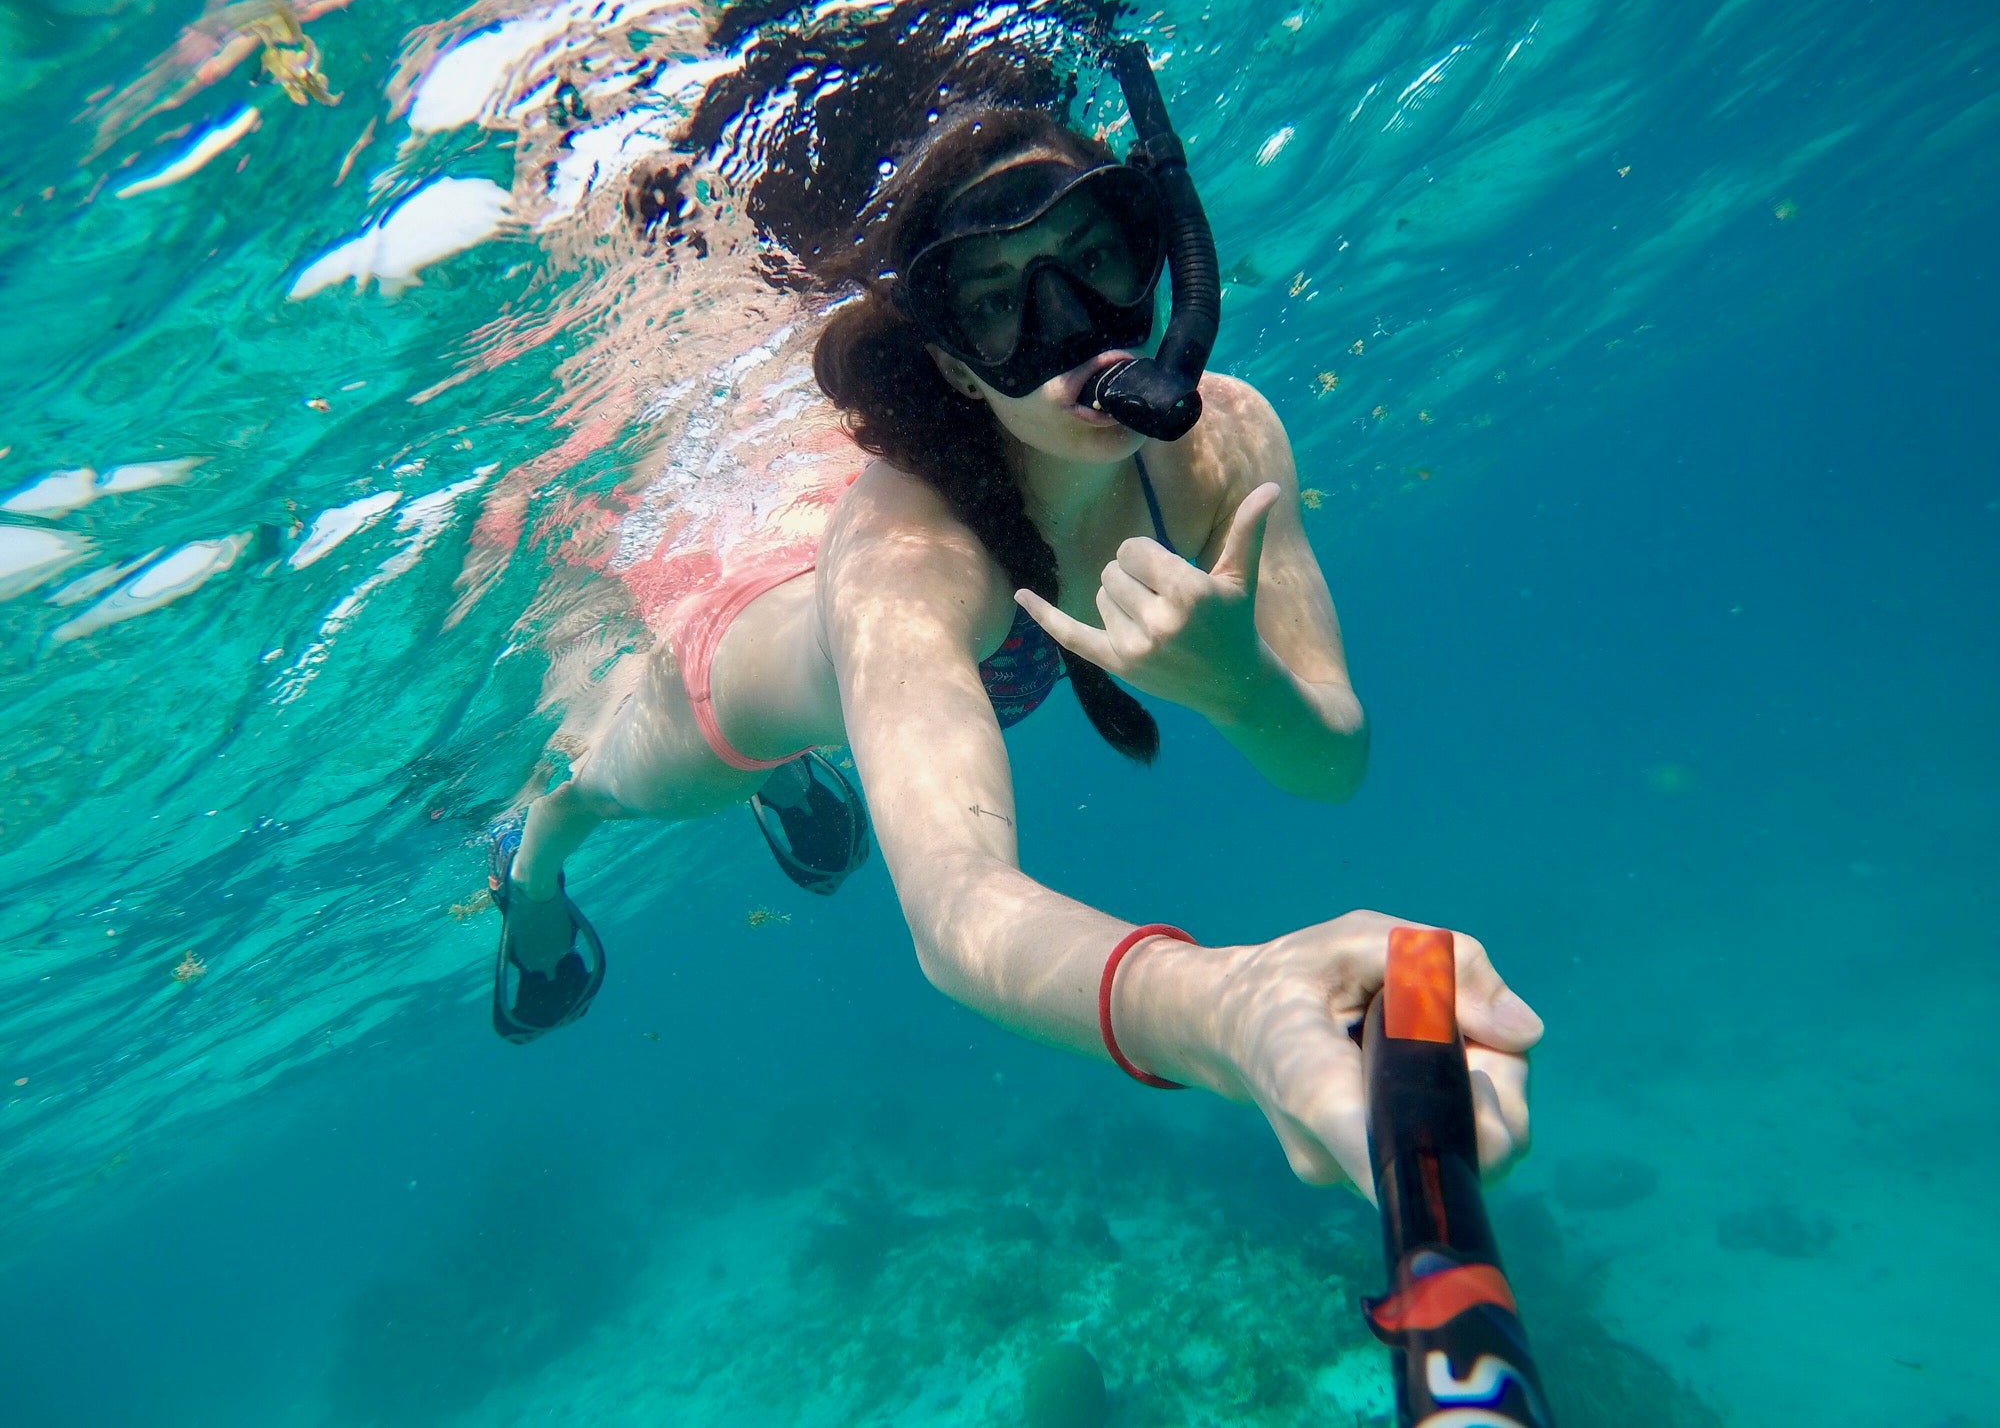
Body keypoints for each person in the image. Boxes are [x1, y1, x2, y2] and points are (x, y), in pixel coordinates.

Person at [484, 93, 1541, 1196]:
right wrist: (1223, 1011)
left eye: (1094, 260)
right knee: (605, 785)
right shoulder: (907, 553)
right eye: (999, 304)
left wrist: (1241, 688)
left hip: (885, 636)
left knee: (882, 734)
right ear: (950, 359)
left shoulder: (1225, 439)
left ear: (1157, 254)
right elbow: (953, 911)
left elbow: (1329, 764)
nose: (1072, 327)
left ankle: (807, 778)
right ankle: (540, 858)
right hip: (736, 659)